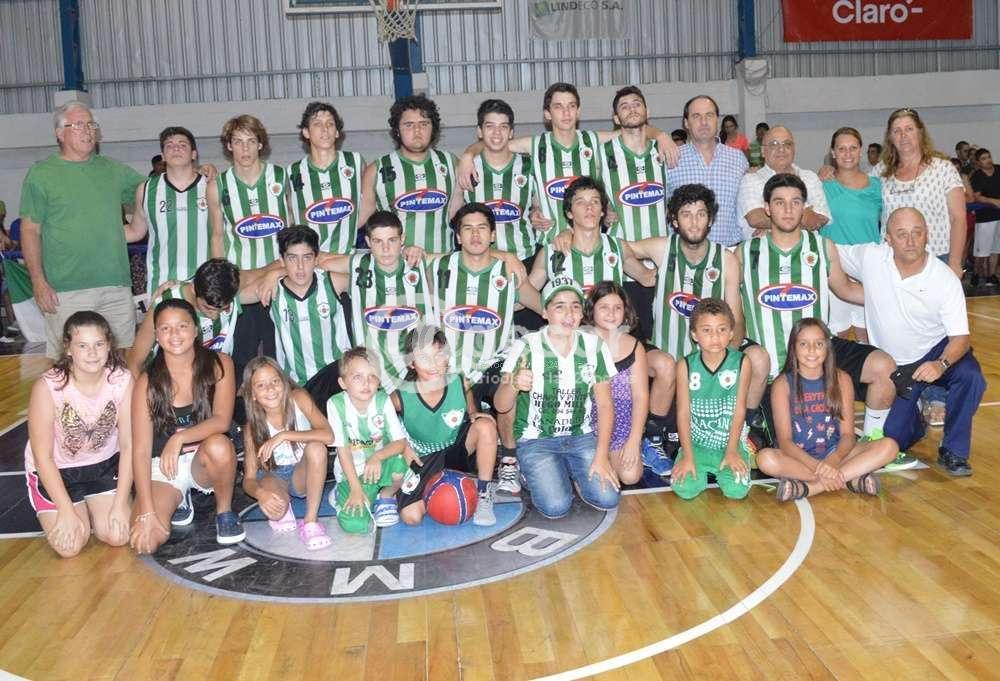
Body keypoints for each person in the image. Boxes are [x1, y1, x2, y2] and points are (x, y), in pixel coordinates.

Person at [738, 173, 903, 464]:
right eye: (779, 202)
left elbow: (846, 289)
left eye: (795, 202)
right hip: (772, 365)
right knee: (787, 451)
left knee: (884, 367)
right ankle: (751, 430)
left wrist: (901, 297)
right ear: (767, 208)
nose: (788, 209)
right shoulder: (745, 252)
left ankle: (871, 438)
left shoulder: (822, 247)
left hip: (820, 351)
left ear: (805, 207)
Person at [837, 207, 986, 477]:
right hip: (895, 367)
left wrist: (940, 365)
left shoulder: (944, 279)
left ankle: (954, 451)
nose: (910, 241)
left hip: (936, 351)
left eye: (917, 233)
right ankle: (916, 417)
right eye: (901, 234)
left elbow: (961, 339)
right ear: (888, 238)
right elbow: (829, 250)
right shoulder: (871, 257)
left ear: (927, 235)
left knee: (971, 376)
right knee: (892, 439)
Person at [628, 183, 770, 446]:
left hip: (713, 348)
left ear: (711, 219)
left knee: (759, 358)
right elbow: (618, 248)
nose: (694, 222)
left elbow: (737, 318)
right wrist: (642, 274)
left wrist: (725, 359)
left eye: (701, 214)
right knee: (665, 365)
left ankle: (745, 429)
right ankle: (653, 439)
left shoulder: (726, 259)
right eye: (686, 214)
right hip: (668, 351)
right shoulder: (662, 248)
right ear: (674, 220)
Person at [458, 82, 678, 243]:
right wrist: (468, 155)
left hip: (591, 244)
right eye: (558, 107)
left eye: (571, 106)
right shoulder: (535, 144)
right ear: (547, 113)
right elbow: (495, 141)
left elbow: (632, 128)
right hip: (550, 244)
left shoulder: (592, 141)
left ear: (578, 111)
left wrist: (660, 135)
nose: (566, 112)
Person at [428, 203, 542, 494]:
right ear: (457, 237)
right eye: (468, 229)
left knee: (511, 383)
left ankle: (509, 460)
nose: (475, 235)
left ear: (492, 235)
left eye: (482, 228)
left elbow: (544, 307)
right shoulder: (438, 267)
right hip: (451, 369)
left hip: (495, 362)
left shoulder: (509, 272)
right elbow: (401, 258)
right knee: (453, 458)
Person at [19, 101, 145, 358]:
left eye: (91, 124)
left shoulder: (114, 170)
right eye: (78, 125)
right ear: (59, 133)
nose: (87, 130)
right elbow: (29, 230)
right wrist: (38, 281)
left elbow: (155, 189)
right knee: (67, 365)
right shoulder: (41, 174)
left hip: (116, 286)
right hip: (66, 291)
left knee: (122, 363)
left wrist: (197, 174)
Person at [494, 276, 620, 518]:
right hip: (536, 439)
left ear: (582, 312)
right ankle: (529, 470)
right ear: (545, 312)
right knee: (555, 507)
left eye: (575, 306)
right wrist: (514, 384)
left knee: (608, 498)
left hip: (581, 436)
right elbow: (501, 405)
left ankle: (572, 471)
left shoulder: (594, 346)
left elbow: (605, 405)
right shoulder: (526, 346)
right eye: (559, 306)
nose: (569, 314)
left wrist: (602, 456)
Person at [129, 299, 244, 553]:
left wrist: (179, 438)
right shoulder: (147, 382)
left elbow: (221, 420)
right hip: (164, 466)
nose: (174, 335)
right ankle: (179, 499)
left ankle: (224, 512)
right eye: (165, 328)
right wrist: (146, 510)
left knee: (219, 445)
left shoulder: (220, 364)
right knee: (144, 541)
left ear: (195, 329)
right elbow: (140, 450)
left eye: (182, 326)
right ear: (156, 335)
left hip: (204, 459)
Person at [25, 312, 133, 557]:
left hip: (103, 466)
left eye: (99, 344)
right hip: (57, 471)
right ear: (68, 348)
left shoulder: (122, 380)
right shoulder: (48, 387)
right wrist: (65, 511)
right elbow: (43, 457)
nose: (92, 353)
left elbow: (128, 445)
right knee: (70, 547)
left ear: (109, 345)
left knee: (118, 536)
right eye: (82, 346)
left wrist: (120, 504)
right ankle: (71, 507)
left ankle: (99, 507)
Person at [755, 318, 899, 501]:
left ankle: (810, 488)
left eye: (819, 344)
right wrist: (819, 468)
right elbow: (785, 442)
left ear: (828, 348)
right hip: (799, 460)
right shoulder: (782, 384)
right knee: (765, 459)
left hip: (836, 454)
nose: (812, 350)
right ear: (793, 348)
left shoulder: (842, 379)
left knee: (889, 446)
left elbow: (848, 435)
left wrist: (832, 461)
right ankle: (849, 479)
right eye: (804, 344)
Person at [392, 326, 498, 526]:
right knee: (411, 517)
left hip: (454, 450)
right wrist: (402, 445)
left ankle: (484, 493)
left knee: (485, 425)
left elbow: (468, 400)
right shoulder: (400, 397)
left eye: (438, 355)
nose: (433, 364)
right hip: (423, 459)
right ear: (411, 363)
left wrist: (473, 412)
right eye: (424, 358)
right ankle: (441, 487)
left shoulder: (459, 381)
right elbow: (381, 422)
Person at [208, 114, 285, 377]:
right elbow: (217, 236)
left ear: (260, 144)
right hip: (241, 284)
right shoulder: (218, 185)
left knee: (279, 358)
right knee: (241, 362)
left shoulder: (281, 177)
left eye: (251, 141)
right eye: (238, 142)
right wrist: (222, 285)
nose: (245, 149)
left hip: (277, 281)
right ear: (229, 146)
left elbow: (293, 230)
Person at [239, 357, 334, 550]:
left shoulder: (299, 398)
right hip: (273, 475)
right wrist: (261, 494)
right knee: (276, 512)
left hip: (301, 472)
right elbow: (248, 480)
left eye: (275, 381)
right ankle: (282, 500)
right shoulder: (251, 428)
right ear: (252, 394)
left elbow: (329, 436)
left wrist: (284, 435)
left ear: (284, 382)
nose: (270, 389)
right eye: (261, 385)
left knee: (317, 447)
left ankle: (311, 522)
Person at [251, 226, 351, 405]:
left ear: (316, 258)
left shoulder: (332, 282)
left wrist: (277, 271)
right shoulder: (272, 289)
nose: (300, 267)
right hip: (296, 385)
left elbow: (371, 269)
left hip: (335, 377)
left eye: (307, 257)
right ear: (281, 260)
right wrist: (272, 273)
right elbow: (235, 294)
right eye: (292, 258)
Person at [126, 258, 269, 375]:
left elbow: (270, 275)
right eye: (208, 308)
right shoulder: (167, 303)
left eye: (222, 309)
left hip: (209, 375)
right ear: (193, 289)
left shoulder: (229, 291)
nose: (214, 316)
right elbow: (134, 361)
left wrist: (275, 274)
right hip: (165, 377)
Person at [671, 298, 753, 501]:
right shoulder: (685, 366)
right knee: (684, 489)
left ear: (731, 333)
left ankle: (740, 452)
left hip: (729, 442)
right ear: (694, 335)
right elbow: (683, 413)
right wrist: (688, 455)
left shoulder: (742, 362)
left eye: (722, 329)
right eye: (707, 330)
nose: (715, 337)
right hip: (696, 444)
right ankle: (691, 459)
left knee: (736, 491)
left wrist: (732, 451)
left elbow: (740, 410)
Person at [873, 108, 966, 278]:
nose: (903, 135)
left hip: (937, 258)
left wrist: (954, 262)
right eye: (897, 131)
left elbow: (958, 219)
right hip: (893, 261)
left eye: (909, 129)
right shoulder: (879, 172)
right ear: (890, 137)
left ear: (920, 132)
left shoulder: (943, 168)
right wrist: (831, 174)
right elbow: (854, 189)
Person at [361, 95, 460, 253]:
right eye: (409, 125)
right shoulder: (376, 170)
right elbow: (357, 221)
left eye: (424, 124)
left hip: (442, 262)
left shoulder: (451, 163)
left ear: (433, 128)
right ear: (397, 130)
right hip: (396, 263)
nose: (417, 130)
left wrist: (470, 153)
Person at [327, 347, 409, 532]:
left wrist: (377, 456)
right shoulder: (335, 404)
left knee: (400, 463)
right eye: (358, 377)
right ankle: (342, 492)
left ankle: (386, 497)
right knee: (356, 526)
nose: (366, 383)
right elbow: (343, 451)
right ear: (343, 383)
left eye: (372, 376)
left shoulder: (383, 401)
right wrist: (356, 488)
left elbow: (400, 442)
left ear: (379, 381)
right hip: (351, 474)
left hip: (378, 466)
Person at [529, 177, 652, 294]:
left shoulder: (617, 247)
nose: (589, 207)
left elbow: (647, 278)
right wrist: (545, 306)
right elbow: (524, 297)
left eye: (595, 201)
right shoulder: (551, 252)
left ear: (602, 211)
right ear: (569, 213)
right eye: (580, 202)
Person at [582, 282, 654, 482]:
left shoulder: (634, 346)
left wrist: (634, 440)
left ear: (625, 311)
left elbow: (640, 397)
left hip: (622, 423)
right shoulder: (581, 342)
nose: (611, 314)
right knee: (596, 484)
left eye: (617, 308)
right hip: (587, 424)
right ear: (592, 309)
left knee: (630, 476)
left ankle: (640, 448)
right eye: (604, 307)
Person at [126, 126, 211, 297]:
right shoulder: (146, 189)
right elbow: (136, 231)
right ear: (163, 156)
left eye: (182, 144)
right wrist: (93, 233)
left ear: (194, 154)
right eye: (169, 145)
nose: (176, 148)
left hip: (207, 283)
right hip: (162, 283)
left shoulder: (212, 186)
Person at [821, 127, 882, 342]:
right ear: (833, 153)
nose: (847, 153)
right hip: (834, 269)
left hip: (867, 269)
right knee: (838, 336)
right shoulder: (821, 184)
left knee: (869, 336)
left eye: (853, 148)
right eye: (841, 148)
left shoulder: (877, 186)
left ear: (860, 150)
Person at [462, 99, 540, 265]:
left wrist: (537, 212)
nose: (497, 133)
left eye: (503, 127)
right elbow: (454, 218)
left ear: (511, 132)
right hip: (480, 262)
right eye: (490, 126)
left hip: (524, 257)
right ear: (480, 131)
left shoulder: (530, 166)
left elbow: (538, 206)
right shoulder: (466, 168)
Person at [666, 95, 750, 247]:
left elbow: (747, 204)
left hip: (729, 251)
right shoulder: (671, 159)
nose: (704, 122)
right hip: (684, 253)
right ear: (686, 123)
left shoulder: (738, 159)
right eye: (696, 116)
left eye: (709, 115)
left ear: (717, 120)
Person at [287, 102, 365, 254]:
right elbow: (289, 217)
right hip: (309, 260)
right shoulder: (292, 172)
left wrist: (348, 228)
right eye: (317, 124)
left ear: (337, 132)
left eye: (330, 124)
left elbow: (370, 203)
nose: (325, 129)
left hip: (345, 258)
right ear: (306, 132)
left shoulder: (355, 162)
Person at [738, 125, 831, 240]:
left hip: (807, 249)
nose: (781, 149)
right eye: (774, 144)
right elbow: (755, 218)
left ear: (794, 149)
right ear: (763, 151)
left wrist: (772, 226)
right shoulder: (750, 180)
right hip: (763, 250)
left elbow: (818, 219)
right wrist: (804, 216)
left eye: (787, 144)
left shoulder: (810, 177)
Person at [969, 148, 1000, 287]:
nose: (988, 160)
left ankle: (991, 275)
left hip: (998, 216)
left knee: (996, 248)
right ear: (978, 162)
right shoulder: (977, 176)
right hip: (985, 217)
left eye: (988, 157)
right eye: (983, 158)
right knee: (982, 249)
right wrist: (993, 201)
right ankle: (976, 274)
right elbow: (976, 196)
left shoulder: (998, 169)